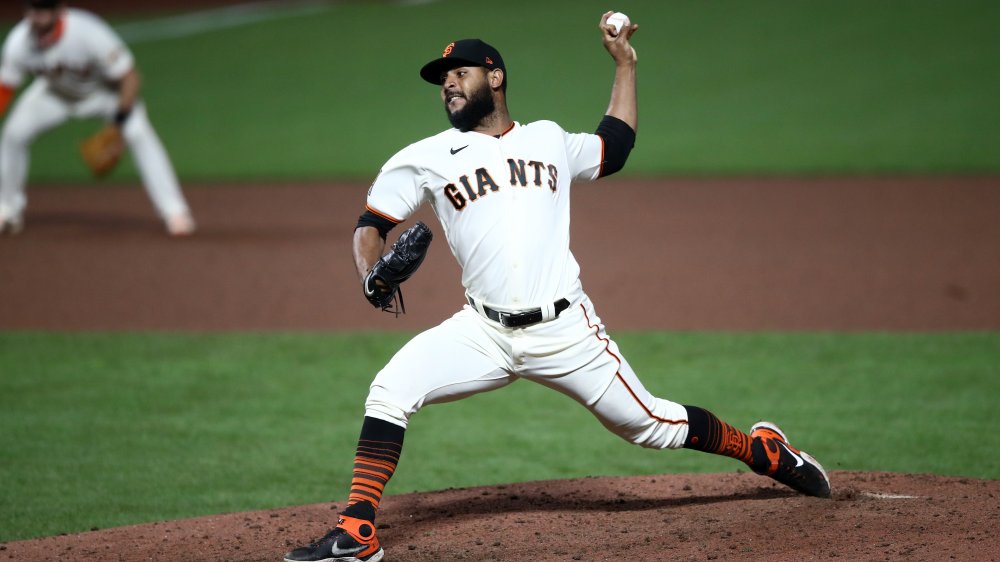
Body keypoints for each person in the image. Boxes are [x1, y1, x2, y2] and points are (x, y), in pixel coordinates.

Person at [285, 12, 830, 562]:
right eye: (441, 78)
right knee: (390, 390)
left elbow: (612, 147)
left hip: (567, 331)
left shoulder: (546, 139)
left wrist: (625, 65)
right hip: (481, 332)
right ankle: (358, 533)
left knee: (650, 426)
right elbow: (370, 226)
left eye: (460, 71)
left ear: (495, 78)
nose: (448, 82)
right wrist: (372, 277)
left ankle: (760, 450)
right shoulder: (424, 157)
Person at [0, 0, 194, 236]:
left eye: (42, 11)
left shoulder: (87, 31)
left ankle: (174, 211)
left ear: (58, 11)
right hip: (55, 96)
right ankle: (7, 209)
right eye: (32, 11)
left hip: (104, 94)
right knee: (14, 134)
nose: (37, 17)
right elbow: (5, 87)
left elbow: (130, 78)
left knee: (138, 132)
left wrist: (118, 125)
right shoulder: (19, 42)